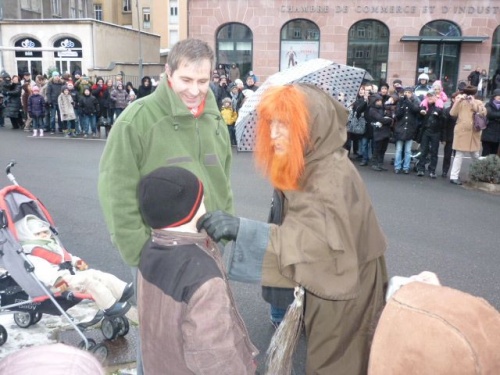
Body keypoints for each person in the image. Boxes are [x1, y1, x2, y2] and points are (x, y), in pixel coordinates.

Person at [197, 83, 388, 375]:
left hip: (343, 287)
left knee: (335, 363)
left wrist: (241, 229)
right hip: (338, 277)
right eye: (270, 124)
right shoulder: (317, 159)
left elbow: (315, 241)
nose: (273, 135)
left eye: (284, 125)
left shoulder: (328, 175)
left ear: (310, 125)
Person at [98, 38, 234, 375]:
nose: (195, 90)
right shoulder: (137, 120)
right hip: (159, 253)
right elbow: (116, 190)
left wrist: (225, 232)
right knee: (160, 342)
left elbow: (223, 178)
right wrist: (140, 253)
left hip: (209, 246)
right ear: (168, 73)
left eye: (203, 81)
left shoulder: (215, 117)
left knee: (206, 333)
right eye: (186, 80)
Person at [137, 166, 257, 374]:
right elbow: (214, 356)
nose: (205, 204)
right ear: (189, 212)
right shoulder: (204, 278)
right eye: (201, 200)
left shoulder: (150, 250)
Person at [15, 215, 133, 316]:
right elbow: (43, 271)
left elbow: (66, 256)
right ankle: (110, 307)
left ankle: (121, 290)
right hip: (58, 284)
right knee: (87, 281)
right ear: (27, 236)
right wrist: (57, 280)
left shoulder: (51, 246)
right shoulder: (32, 254)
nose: (44, 235)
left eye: (45, 232)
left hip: (70, 277)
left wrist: (76, 262)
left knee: (95, 273)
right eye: (38, 234)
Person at [449, 85, 487, 185]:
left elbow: (483, 113)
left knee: (475, 155)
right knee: (459, 154)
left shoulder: (478, 102)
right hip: (462, 131)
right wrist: (457, 101)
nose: (468, 96)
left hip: (474, 132)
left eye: (471, 94)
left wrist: (473, 102)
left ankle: (480, 174)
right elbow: (452, 113)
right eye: (467, 94)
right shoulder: (460, 102)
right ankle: (453, 176)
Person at [416, 91, 444, 179]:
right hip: (426, 131)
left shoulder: (440, 107)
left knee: (434, 152)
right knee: (423, 150)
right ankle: (421, 169)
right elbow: (419, 119)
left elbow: (443, 120)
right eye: (428, 97)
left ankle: (432, 170)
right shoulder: (425, 107)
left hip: (436, 132)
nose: (430, 98)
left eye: (432, 97)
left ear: (436, 97)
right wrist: (421, 112)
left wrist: (439, 113)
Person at [393, 86, 421, 174]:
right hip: (400, 128)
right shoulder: (401, 102)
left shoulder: (415, 102)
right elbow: (397, 115)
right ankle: (397, 166)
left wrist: (408, 102)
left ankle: (406, 167)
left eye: (409, 93)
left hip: (410, 128)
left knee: (408, 150)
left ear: (412, 94)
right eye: (405, 92)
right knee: (399, 150)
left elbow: (416, 110)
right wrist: (401, 104)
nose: (407, 94)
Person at [369, 93, 393, 171]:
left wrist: (388, 120)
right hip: (378, 132)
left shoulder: (382, 108)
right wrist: (388, 120)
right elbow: (381, 119)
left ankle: (380, 163)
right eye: (378, 101)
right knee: (377, 149)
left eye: (380, 101)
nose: (380, 102)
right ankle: (374, 163)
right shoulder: (372, 109)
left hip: (385, 131)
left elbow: (388, 118)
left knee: (383, 149)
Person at [441, 92, 459, 177]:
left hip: (459, 137)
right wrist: (443, 138)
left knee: (457, 157)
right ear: (452, 99)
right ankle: (445, 171)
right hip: (449, 136)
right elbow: (444, 126)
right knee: (447, 156)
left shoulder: (462, 110)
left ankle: (455, 173)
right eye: (457, 98)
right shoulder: (447, 110)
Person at [482, 88, 500, 156]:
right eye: (499, 96)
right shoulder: (488, 104)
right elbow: (489, 114)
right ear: (494, 97)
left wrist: (495, 117)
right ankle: (483, 167)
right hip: (488, 134)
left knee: (494, 155)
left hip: (497, 135)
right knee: (485, 154)